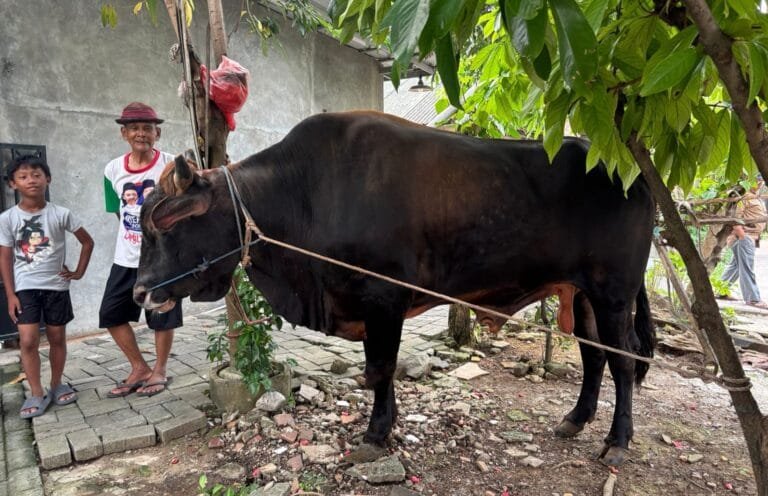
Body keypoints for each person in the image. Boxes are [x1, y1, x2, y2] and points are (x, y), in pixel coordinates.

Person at [0, 155, 94, 418]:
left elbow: (87, 242)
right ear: (13, 184)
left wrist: (78, 272)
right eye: (23, 176)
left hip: (57, 287)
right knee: (28, 340)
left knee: (56, 338)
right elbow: (4, 257)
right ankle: (36, 392)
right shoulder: (7, 218)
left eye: (36, 174)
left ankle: (56, 384)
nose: (31, 180)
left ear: (47, 179)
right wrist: (10, 294)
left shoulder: (61, 214)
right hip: (25, 289)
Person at [100, 102, 182, 398]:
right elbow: (118, 211)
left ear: (157, 133)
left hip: (161, 259)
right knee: (111, 313)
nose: (141, 133)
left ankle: (159, 370)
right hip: (126, 257)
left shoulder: (172, 165)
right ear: (123, 133)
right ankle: (139, 367)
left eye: (147, 128)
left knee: (161, 314)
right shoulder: (112, 169)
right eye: (133, 128)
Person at [721, 182, 768, 309]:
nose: (759, 184)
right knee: (746, 267)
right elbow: (735, 219)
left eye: (761, 181)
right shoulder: (744, 197)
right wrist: (743, 236)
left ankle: (720, 290)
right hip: (744, 236)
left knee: (736, 266)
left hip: (748, 236)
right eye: (756, 180)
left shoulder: (755, 197)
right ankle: (753, 299)